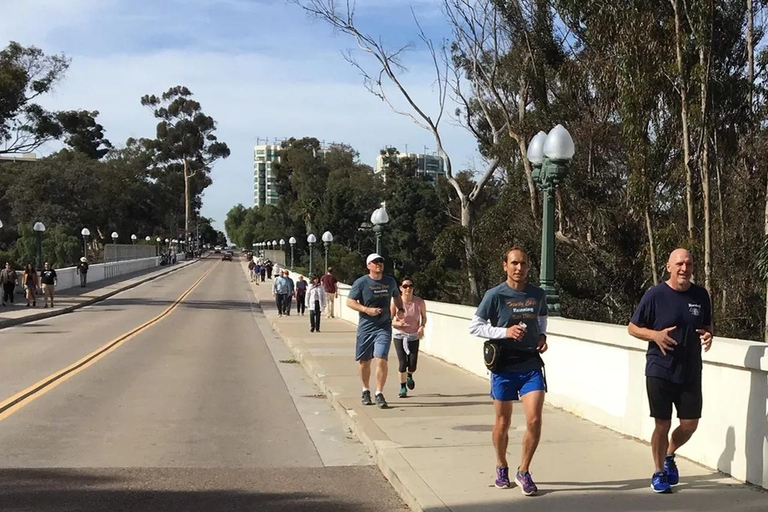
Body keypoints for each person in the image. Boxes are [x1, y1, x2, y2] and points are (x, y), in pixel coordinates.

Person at [628, 248, 713, 494]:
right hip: (660, 369)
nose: (684, 268)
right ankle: (658, 472)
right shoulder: (655, 295)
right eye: (679, 264)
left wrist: (708, 334)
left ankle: (669, 454)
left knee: (690, 424)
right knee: (662, 423)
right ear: (669, 267)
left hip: (690, 370)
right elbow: (632, 327)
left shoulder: (701, 295)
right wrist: (654, 334)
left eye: (688, 263)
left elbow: (706, 325)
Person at [468, 247, 548, 496]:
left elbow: (542, 316)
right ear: (505, 265)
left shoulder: (537, 294)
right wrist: (504, 332)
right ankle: (501, 464)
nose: (519, 268)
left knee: (534, 419)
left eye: (523, 263)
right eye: (514, 263)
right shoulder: (495, 295)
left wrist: (542, 335)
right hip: (503, 366)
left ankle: (524, 471)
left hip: (530, 365)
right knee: (503, 422)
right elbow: (475, 327)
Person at [347, 253, 406, 409]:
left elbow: (397, 297)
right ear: (369, 266)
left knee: (381, 359)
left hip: (383, 327)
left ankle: (379, 393)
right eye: (375, 262)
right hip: (366, 327)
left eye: (380, 261)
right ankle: (365, 390)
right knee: (364, 362)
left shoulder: (390, 281)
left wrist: (400, 309)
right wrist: (366, 309)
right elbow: (350, 302)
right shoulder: (361, 283)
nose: (378, 264)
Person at [391, 276, 427, 398]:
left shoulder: (419, 302)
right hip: (399, 335)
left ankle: (409, 375)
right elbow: (389, 320)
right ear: (401, 288)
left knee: (412, 364)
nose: (408, 288)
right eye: (405, 286)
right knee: (402, 362)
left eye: (410, 286)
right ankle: (402, 387)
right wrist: (397, 324)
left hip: (413, 335)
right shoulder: (395, 302)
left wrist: (422, 326)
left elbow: (424, 317)